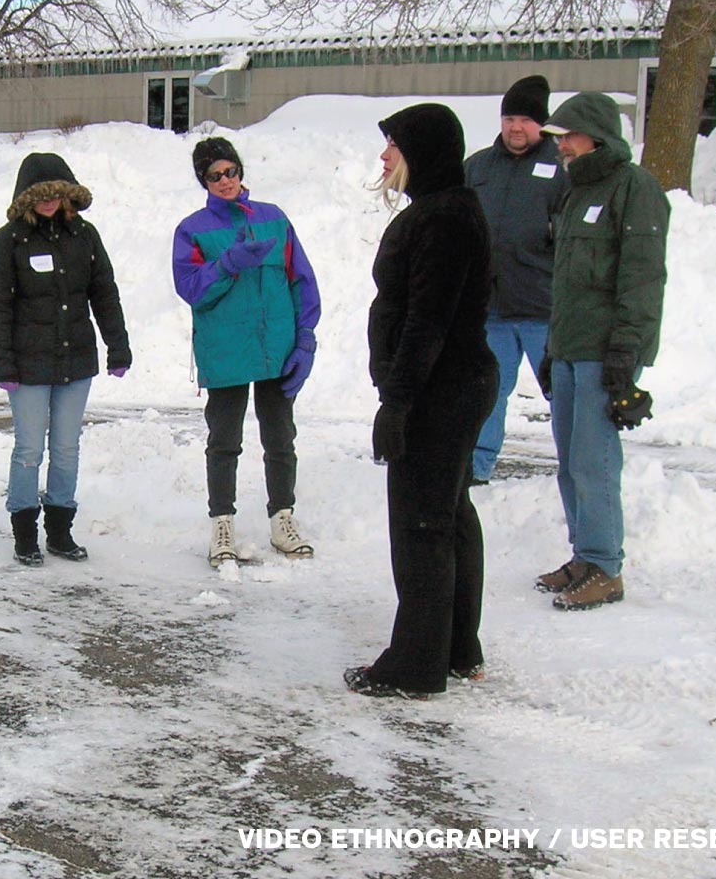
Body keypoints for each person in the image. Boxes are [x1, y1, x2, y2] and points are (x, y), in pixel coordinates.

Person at [345, 104, 498, 699]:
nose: (384, 157)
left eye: (394, 146)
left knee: (422, 526)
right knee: (449, 516)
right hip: (454, 383)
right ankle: (457, 648)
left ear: (423, 153)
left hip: (441, 390)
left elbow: (427, 322)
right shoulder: (448, 210)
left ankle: (416, 664)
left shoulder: (444, 219)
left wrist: (398, 402)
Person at [533, 92, 669, 611]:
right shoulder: (574, 191)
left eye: (568, 135)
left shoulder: (635, 189)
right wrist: (552, 345)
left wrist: (625, 351)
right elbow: (566, 281)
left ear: (598, 137)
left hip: (604, 350)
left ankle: (606, 567)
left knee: (594, 461)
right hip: (570, 345)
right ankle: (584, 555)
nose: (561, 145)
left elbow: (642, 278)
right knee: (570, 461)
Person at [172, 137, 321, 567]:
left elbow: (300, 278)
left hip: (276, 345)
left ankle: (283, 518)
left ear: (241, 172)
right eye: (214, 175)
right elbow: (192, 289)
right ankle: (222, 524)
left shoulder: (274, 220)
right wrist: (228, 264)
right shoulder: (193, 229)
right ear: (204, 180)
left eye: (231, 171)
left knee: (280, 438)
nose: (225, 181)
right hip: (225, 350)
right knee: (224, 441)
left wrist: (305, 335)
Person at [0, 152, 131, 566]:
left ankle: (60, 532)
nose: (49, 202)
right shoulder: (9, 241)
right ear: (27, 198)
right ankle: (25, 532)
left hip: (75, 362)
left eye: (57, 194)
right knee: (29, 449)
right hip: (28, 367)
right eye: (40, 195)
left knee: (66, 448)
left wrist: (117, 346)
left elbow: (104, 292)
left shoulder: (84, 236)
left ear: (68, 195)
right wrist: (2, 363)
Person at [466, 75, 570, 484]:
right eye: (509, 118)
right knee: (488, 393)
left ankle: (575, 468)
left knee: (563, 394)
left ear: (541, 125)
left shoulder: (562, 168)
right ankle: (476, 466)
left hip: (543, 307)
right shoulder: (477, 168)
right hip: (491, 308)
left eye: (526, 120)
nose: (515, 128)